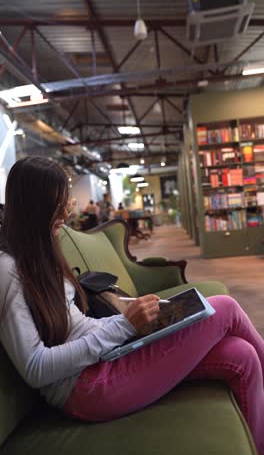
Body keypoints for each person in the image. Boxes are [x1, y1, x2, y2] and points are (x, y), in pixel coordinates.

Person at [0, 157, 264, 454]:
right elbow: (35, 367)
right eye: (56, 204)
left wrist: (127, 323)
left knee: (241, 355)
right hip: (84, 388)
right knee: (225, 308)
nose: (65, 213)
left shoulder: (41, 252)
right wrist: (123, 327)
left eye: (66, 203)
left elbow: (76, 326)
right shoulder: (8, 270)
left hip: (104, 360)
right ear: (32, 206)